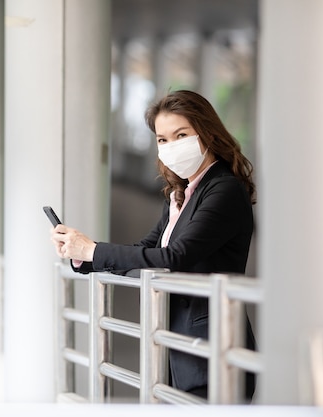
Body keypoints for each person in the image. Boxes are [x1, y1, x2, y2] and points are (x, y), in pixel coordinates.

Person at [50, 89, 256, 401]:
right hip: (179, 348)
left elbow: (174, 257)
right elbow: (146, 248)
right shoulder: (180, 195)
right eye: (162, 139)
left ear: (207, 133)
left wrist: (92, 250)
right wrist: (84, 255)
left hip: (212, 350)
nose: (171, 146)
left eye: (181, 134)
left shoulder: (224, 190)